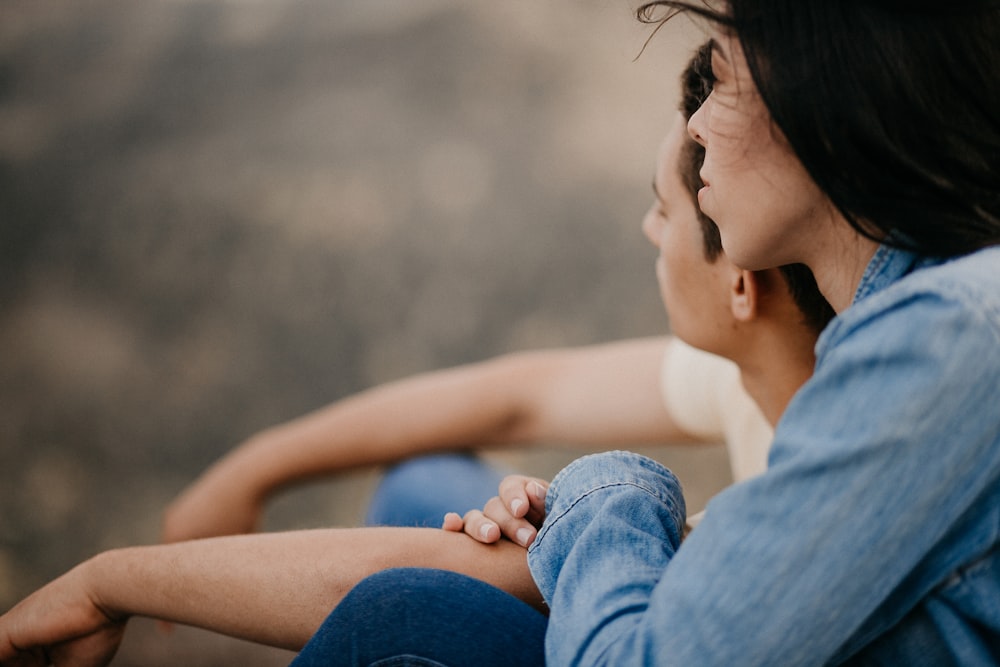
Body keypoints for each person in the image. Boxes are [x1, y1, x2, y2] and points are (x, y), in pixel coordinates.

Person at [0, 41, 834, 665]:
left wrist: (110, 582)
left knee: (396, 613)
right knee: (425, 482)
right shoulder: (772, 354)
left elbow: (412, 571)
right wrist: (255, 465)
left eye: (665, 212)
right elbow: (522, 395)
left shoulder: (811, 495)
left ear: (741, 284)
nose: (648, 229)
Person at [453, 1, 1000, 664]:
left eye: (724, 81)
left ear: (830, 100)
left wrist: (605, 498)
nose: (701, 125)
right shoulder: (936, 326)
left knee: (406, 616)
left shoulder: (942, 344)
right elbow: (533, 392)